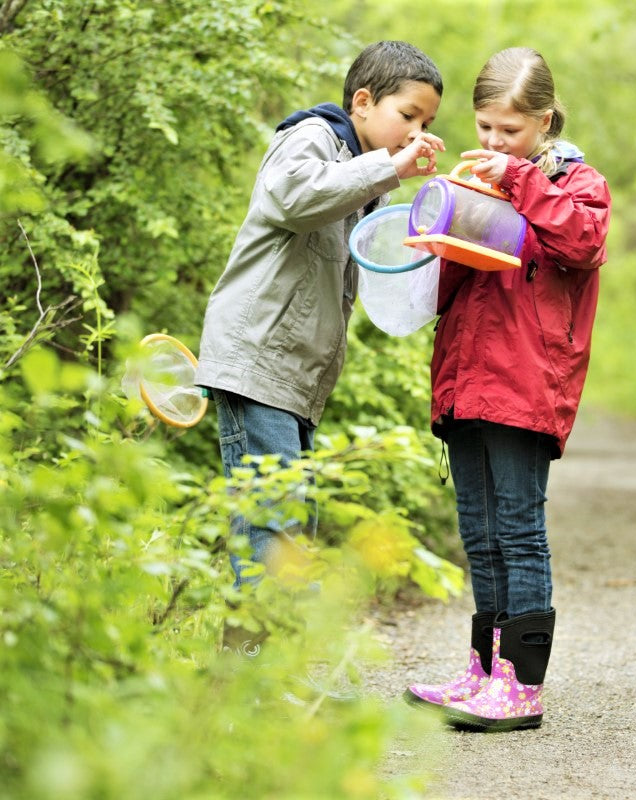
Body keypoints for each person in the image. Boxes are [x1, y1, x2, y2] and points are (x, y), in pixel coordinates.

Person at [193, 41, 446, 646]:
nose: (416, 131)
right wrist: (391, 167)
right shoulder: (311, 137)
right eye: (407, 116)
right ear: (362, 102)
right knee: (270, 525)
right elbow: (292, 199)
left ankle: (265, 674)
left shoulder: (364, 176)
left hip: (293, 379)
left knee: (290, 528)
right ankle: (248, 686)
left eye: (427, 124)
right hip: (256, 362)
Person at [404, 47, 611, 731]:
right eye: (485, 128)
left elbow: (580, 244)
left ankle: (522, 685)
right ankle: (484, 670)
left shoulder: (577, 186)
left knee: (519, 532)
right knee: (479, 532)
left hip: (526, 383)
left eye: (510, 131)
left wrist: (518, 180)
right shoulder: (482, 182)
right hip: (466, 380)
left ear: (543, 122)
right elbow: (453, 287)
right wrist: (430, 238)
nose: (493, 143)